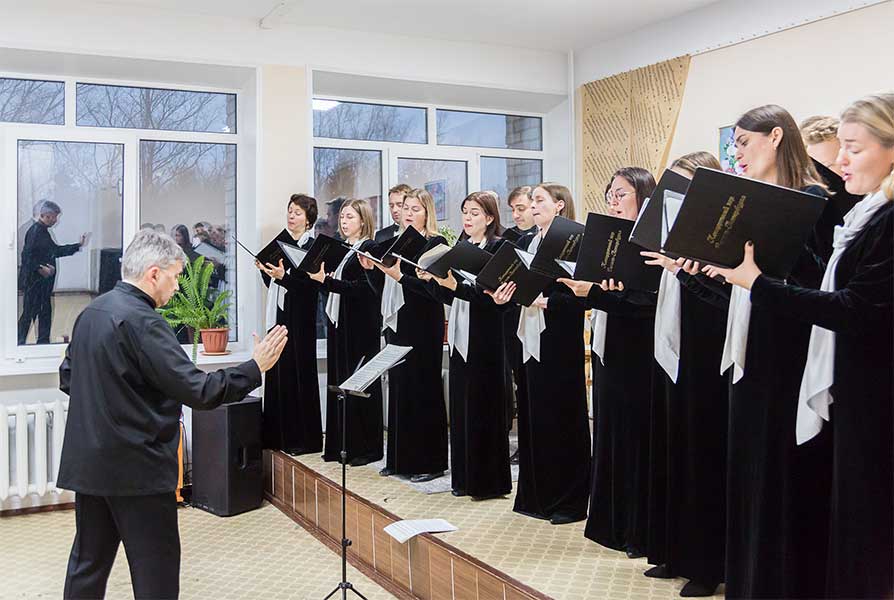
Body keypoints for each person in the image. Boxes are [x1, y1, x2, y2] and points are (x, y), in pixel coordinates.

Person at [705, 93, 893, 599]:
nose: (840, 160)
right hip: (789, 357)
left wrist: (757, 281)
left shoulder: (827, 204)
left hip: (815, 367)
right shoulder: (865, 212)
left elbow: (845, 301)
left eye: (853, 148)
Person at [57, 229, 288, 600]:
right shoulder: (145, 322)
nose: (178, 286)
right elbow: (200, 391)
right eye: (176, 276)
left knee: (88, 564)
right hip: (138, 470)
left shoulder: (91, 313)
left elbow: (69, 378)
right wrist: (254, 367)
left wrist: (118, 403)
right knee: (156, 573)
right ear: (153, 274)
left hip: (91, 464)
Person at [679, 105, 832, 599]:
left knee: (780, 475)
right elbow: (745, 290)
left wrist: (756, 270)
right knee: (748, 472)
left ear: (776, 137)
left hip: (787, 354)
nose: (736, 153)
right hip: (750, 349)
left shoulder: (811, 198)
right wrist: (701, 270)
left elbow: (815, 283)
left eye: (743, 142)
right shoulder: (756, 202)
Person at [640, 152, 730, 596]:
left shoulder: (720, 230)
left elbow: (724, 298)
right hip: (672, 345)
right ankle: (673, 550)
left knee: (702, 456)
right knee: (673, 449)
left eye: (683, 185)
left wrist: (684, 270)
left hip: (706, 352)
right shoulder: (670, 228)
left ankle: (706, 564)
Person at [559, 168, 658, 555]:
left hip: (638, 350)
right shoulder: (609, 241)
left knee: (633, 437)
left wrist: (596, 293)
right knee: (609, 430)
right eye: (610, 196)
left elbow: (646, 304)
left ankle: (635, 528)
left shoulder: (650, 243)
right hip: (609, 346)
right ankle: (610, 523)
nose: (613, 202)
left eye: (621, 194)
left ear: (643, 197)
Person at [491, 183, 590, 525]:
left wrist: (544, 301)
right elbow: (512, 285)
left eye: (539, 200)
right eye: (531, 200)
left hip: (559, 339)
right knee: (534, 415)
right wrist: (502, 296)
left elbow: (580, 296)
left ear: (559, 205)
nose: (532, 206)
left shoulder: (573, 241)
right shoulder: (525, 242)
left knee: (562, 416)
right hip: (527, 336)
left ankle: (569, 501)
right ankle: (537, 496)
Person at [414, 191, 513, 499]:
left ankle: (488, 483)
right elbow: (450, 296)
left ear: (490, 218)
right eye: (465, 212)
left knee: (484, 408)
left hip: (487, 339)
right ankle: (464, 479)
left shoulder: (499, 248)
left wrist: (455, 286)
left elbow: (491, 298)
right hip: (460, 337)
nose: (467, 218)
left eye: (474, 213)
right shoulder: (460, 248)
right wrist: (433, 281)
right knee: (461, 409)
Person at [360, 188, 449, 482]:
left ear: (427, 213)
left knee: (422, 389)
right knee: (399, 388)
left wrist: (401, 276)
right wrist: (371, 271)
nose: (408, 213)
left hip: (423, 324)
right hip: (397, 323)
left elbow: (432, 291)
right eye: (405, 208)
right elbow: (382, 290)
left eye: (415, 209)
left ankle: (430, 462)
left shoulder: (435, 244)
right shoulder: (393, 242)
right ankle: (399, 459)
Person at [310, 199, 384, 466]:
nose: (343, 221)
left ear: (363, 221)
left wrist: (328, 282)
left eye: (350, 217)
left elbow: (365, 290)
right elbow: (336, 287)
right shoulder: (342, 249)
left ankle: (366, 447)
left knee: (360, 384)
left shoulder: (370, 247)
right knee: (340, 381)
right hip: (340, 323)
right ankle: (340, 445)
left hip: (361, 327)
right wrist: (323, 281)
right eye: (342, 217)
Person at [255, 194, 323, 455]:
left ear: (308, 220)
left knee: (299, 374)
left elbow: (310, 288)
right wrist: (266, 271)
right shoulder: (282, 243)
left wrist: (283, 277)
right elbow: (275, 285)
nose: (291, 216)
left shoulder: (313, 247)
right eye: (290, 211)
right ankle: (277, 437)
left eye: (297, 213)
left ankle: (302, 440)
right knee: (278, 373)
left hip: (301, 321)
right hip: (280, 316)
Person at [17, 200, 88, 345]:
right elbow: (26, 257)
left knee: (42, 314)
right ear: (46, 216)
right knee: (30, 315)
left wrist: (77, 246)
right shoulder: (35, 232)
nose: (56, 220)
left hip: (42, 285)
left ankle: (42, 343)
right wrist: (39, 268)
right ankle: (20, 343)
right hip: (35, 283)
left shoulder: (43, 232)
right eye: (54, 217)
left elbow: (55, 251)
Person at [502, 185, 536, 464]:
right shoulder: (514, 240)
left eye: (521, 208)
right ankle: (523, 444)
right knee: (521, 387)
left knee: (532, 388)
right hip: (513, 320)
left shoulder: (548, 240)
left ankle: (532, 445)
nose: (516, 215)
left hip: (539, 320)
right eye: (513, 210)